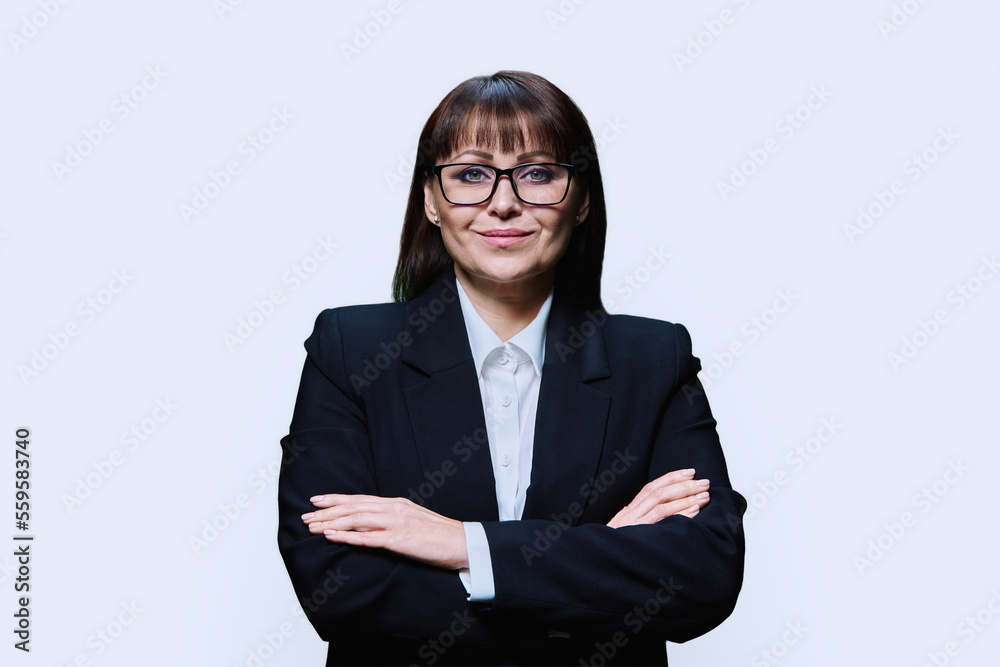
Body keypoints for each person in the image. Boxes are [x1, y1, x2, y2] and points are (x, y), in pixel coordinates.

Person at [277, 70, 745, 666]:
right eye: (471, 174)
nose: (503, 202)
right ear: (431, 201)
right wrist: (599, 559)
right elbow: (338, 586)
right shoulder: (351, 350)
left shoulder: (654, 357)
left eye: (539, 174)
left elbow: (704, 576)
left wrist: (461, 544)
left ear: (581, 200)